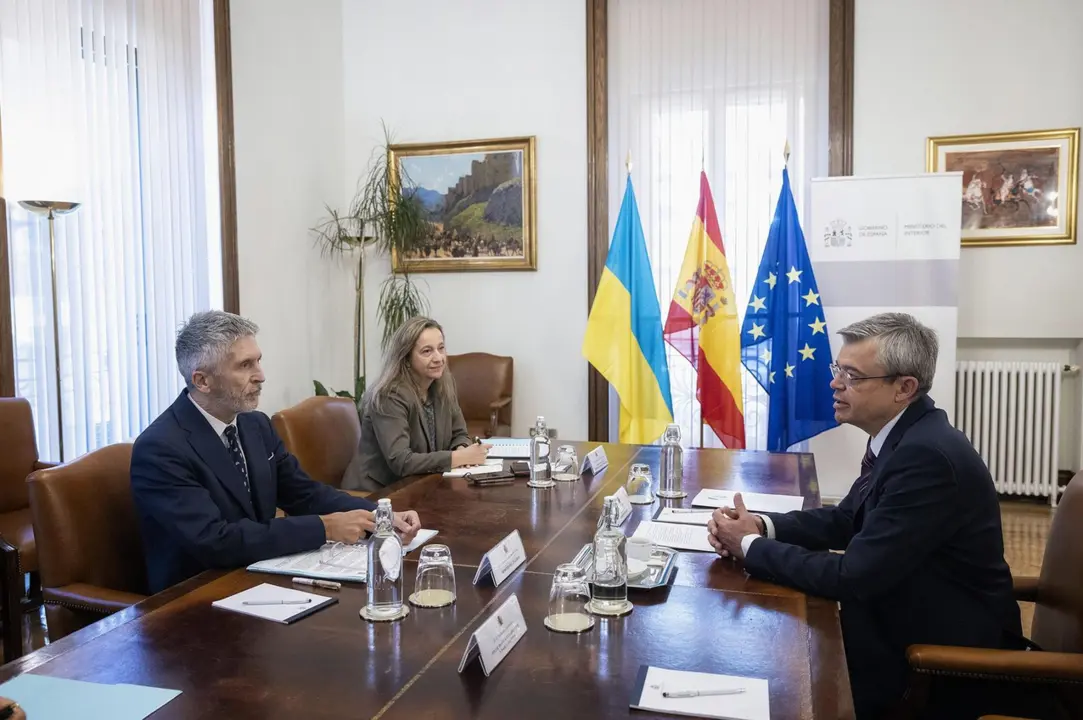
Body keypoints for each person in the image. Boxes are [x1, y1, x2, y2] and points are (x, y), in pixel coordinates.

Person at [707, 313, 1023, 719]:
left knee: (772, 669)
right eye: (838, 369)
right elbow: (845, 520)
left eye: (853, 376)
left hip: (936, 660)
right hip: (903, 618)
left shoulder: (926, 456)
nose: (835, 383)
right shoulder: (906, 435)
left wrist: (750, 548)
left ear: (904, 388)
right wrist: (761, 526)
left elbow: (853, 577)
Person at [131, 311, 422, 594]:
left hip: (256, 575)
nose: (261, 376)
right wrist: (324, 528)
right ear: (202, 381)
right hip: (196, 597)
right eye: (245, 366)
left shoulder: (254, 424)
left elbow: (303, 494)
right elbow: (215, 540)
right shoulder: (161, 448)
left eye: (258, 361)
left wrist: (379, 516)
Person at [342, 317, 490, 491]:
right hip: (377, 493)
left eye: (441, 348)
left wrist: (462, 448)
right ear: (406, 358)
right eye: (427, 351)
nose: (439, 358)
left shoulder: (442, 384)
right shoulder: (390, 395)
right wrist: (459, 457)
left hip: (420, 485)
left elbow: (459, 433)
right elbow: (401, 462)